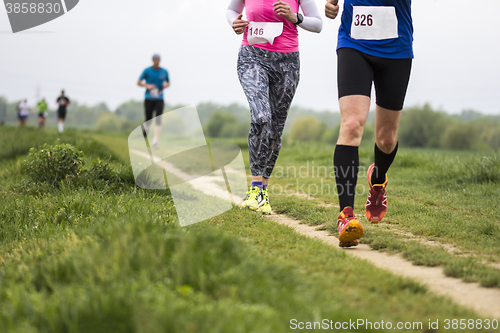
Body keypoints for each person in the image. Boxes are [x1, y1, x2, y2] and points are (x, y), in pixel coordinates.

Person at [325, 0, 414, 247]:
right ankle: (346, 216)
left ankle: (378, 179)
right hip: (354, 43)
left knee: (386, 139)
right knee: (352, 124)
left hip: (396, 47)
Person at [227, 0, 322, 215]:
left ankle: (263, 191)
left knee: (276, 128)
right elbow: (232, 9)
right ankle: (254, 188)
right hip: (252, 56)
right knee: (261, 117)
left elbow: (318, 24)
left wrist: (294, 17)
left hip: (287, 62)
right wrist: (234, 21)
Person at [137, 54, 170, 149]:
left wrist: (165, 85)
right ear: (152, 60)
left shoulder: (164, 72)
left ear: (160, 60)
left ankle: (155, 141)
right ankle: (146, 131)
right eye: (155, 60)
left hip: (159, 98)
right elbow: (138, 82)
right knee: (149, 118)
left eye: (158, 60)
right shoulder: (147, 71)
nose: (156, 61)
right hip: (149, 98)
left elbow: (168, 82)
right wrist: (147, 86)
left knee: (158, 118)